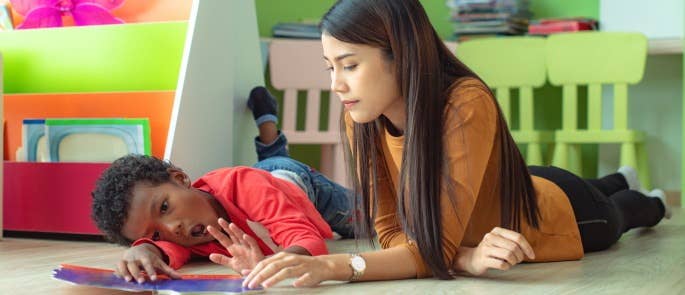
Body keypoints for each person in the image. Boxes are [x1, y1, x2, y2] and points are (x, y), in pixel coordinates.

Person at [229, 0, 672, 289]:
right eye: (329, 67)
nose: (336, 84)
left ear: (399, 55)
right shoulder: (359, 116)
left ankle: (645, 198)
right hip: (498, 193)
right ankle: (615, 179)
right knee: (594, 184)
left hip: (555, 211)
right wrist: (464, 256)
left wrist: (333, 267)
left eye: (349, 65)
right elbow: (390, 232)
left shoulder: (464, 102)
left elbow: (428, 248)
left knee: (624, 211)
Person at [91, 86, 354, 283]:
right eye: (155, 233)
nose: (172, 228)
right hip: (261, 181)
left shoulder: (245, 187)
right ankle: (267, 122)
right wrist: (145, 250)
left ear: (181, 179)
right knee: (270, 161)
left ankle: (269, 129)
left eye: (164, 207)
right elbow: (167, 250)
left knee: (373, 217)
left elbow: (307, 239)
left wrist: (270, 264)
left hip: (293, 184)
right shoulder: (180, 236)